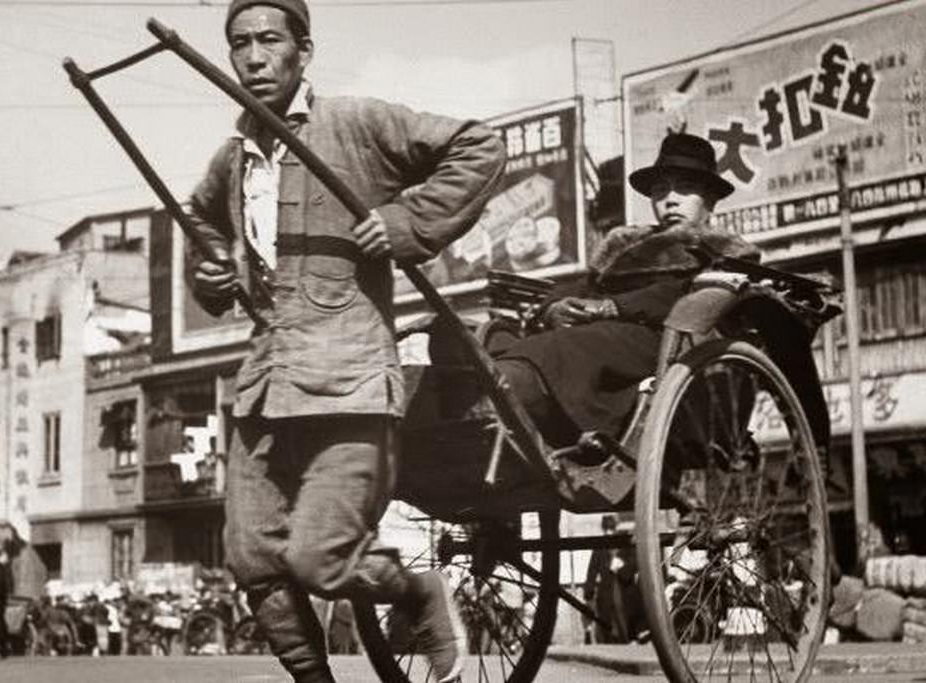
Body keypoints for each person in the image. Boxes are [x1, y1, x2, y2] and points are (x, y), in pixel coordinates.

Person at [186, 2, 505, 680]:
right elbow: (201, 220)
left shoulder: (355, 124)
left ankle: (416, 590)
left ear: (304, 50)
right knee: (252, 558)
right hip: (264, 387)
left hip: (349, 384)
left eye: (269, 39)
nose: (253, 56)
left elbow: (480, 145)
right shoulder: (234, 159)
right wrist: (211, 272)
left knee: (317, 557)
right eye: (239, 42)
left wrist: (406, 220)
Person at [496, 132, 759, 449]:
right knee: (507, 336)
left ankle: (511, 384)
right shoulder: (623, 246)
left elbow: (687, 294)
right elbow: (581, 286)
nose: (670, 199)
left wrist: (612, 307)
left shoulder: (725, 252)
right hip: (609, 337)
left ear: (710, 201)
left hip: (670, 342)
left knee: (575, 343)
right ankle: (494, 385)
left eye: (685, 189)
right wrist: (555, 307)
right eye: (661, 190)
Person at [582, 515, 642, 643]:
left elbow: (635, 565)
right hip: (607, 591)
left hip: (625, 589)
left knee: (625, 619)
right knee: (608, 621)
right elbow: (592, 570)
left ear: (615, 528)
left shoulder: (626, 544)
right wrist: (589, 592)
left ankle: (629, 639)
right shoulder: (600, 547)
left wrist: (620, 569)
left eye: (611, 529)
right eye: (606, 530)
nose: (609, 533)